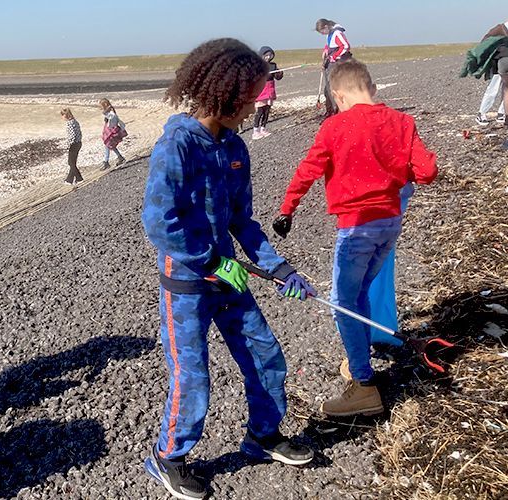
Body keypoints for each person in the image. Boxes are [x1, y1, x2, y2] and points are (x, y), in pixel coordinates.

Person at [141, 39, 316, 500]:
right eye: (252, 95)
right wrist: (212, 261)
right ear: (225, 94)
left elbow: (242, 221)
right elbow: (159, 222)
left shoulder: (236, 147)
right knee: (192, 375)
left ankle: (263, 435)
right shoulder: (176, 145)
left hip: (229, 279)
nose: (259, 102)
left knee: (266, 356)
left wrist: (280, 269)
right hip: (188, 284)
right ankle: (168, 457)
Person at [273, 60, 438, 417]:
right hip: (390, 223)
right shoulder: (402, 121)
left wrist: (287, 210)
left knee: (343, 302)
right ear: (372, 88)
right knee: (360, 292)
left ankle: (363, 386)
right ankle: (357, 359)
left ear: (338, 94)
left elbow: (308, 170)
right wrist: (396, 173)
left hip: (356, 226)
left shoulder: (335, 126)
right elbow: (427, 171)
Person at [474, 7, 508, 125]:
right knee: (493, 89)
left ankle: (502, 113)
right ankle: (481, 113)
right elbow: (485, 42)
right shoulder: (499, 29)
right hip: (498, 64)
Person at [316, 18, 352, 117]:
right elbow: (329, 45)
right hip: (331, 62)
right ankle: (330, 111)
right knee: (327, 88)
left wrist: (334, 56)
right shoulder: (329, 34)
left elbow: (345, 46)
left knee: (335, 88)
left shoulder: (337, 33)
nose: (322, 34)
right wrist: (325, 51)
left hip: (339, 63)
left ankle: (338, 111)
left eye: (322, 31)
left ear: (326, 27)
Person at [251, 46, 284, 140]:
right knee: (260, 111)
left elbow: (277, 77)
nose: (268, 57)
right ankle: (255, 131)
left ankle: (263, 128)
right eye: (266, 55)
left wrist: (279, 73)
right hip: (261, 90)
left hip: (270, 89)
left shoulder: (273, 65)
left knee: (267, 110)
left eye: (270, 55)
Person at [99, 98, 127, 170]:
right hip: (109, 132)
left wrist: (108, 108)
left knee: (108, 145)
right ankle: (120, 157)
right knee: (111, 145)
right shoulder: (110, 112)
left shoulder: (111, 113)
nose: (101, 108)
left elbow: (105, 114)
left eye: (101, 106)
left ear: (105, 105)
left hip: (111, 132)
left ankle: (106, 162)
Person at [61, 108, 83, 185]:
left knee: (71, 163)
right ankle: (74, 179)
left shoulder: (69, 123)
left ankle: (74, 179)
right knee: (72, 162)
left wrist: (68, 145)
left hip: (74, 144)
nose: (62, 117)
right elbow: (79, 133)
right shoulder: (75, 121)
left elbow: (72, 135)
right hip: (79, 143)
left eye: (62, 115)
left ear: (65, 115)